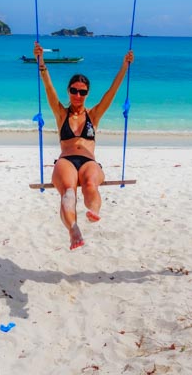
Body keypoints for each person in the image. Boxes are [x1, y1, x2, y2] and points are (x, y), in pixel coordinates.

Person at [34, 41, 134, 250]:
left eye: (82, 92)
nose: (78, 95)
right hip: (66, 161)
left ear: (87, 93)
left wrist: (125, 66)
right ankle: (73, 229)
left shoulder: (93, 115)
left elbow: (111, 92)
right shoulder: (61, 114)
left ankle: (94, 211)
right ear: (69, 91)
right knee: (69, 192)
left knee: (90, 184)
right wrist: (41, 60)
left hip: (89, 161)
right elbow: (49, 88)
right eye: (74, 90)